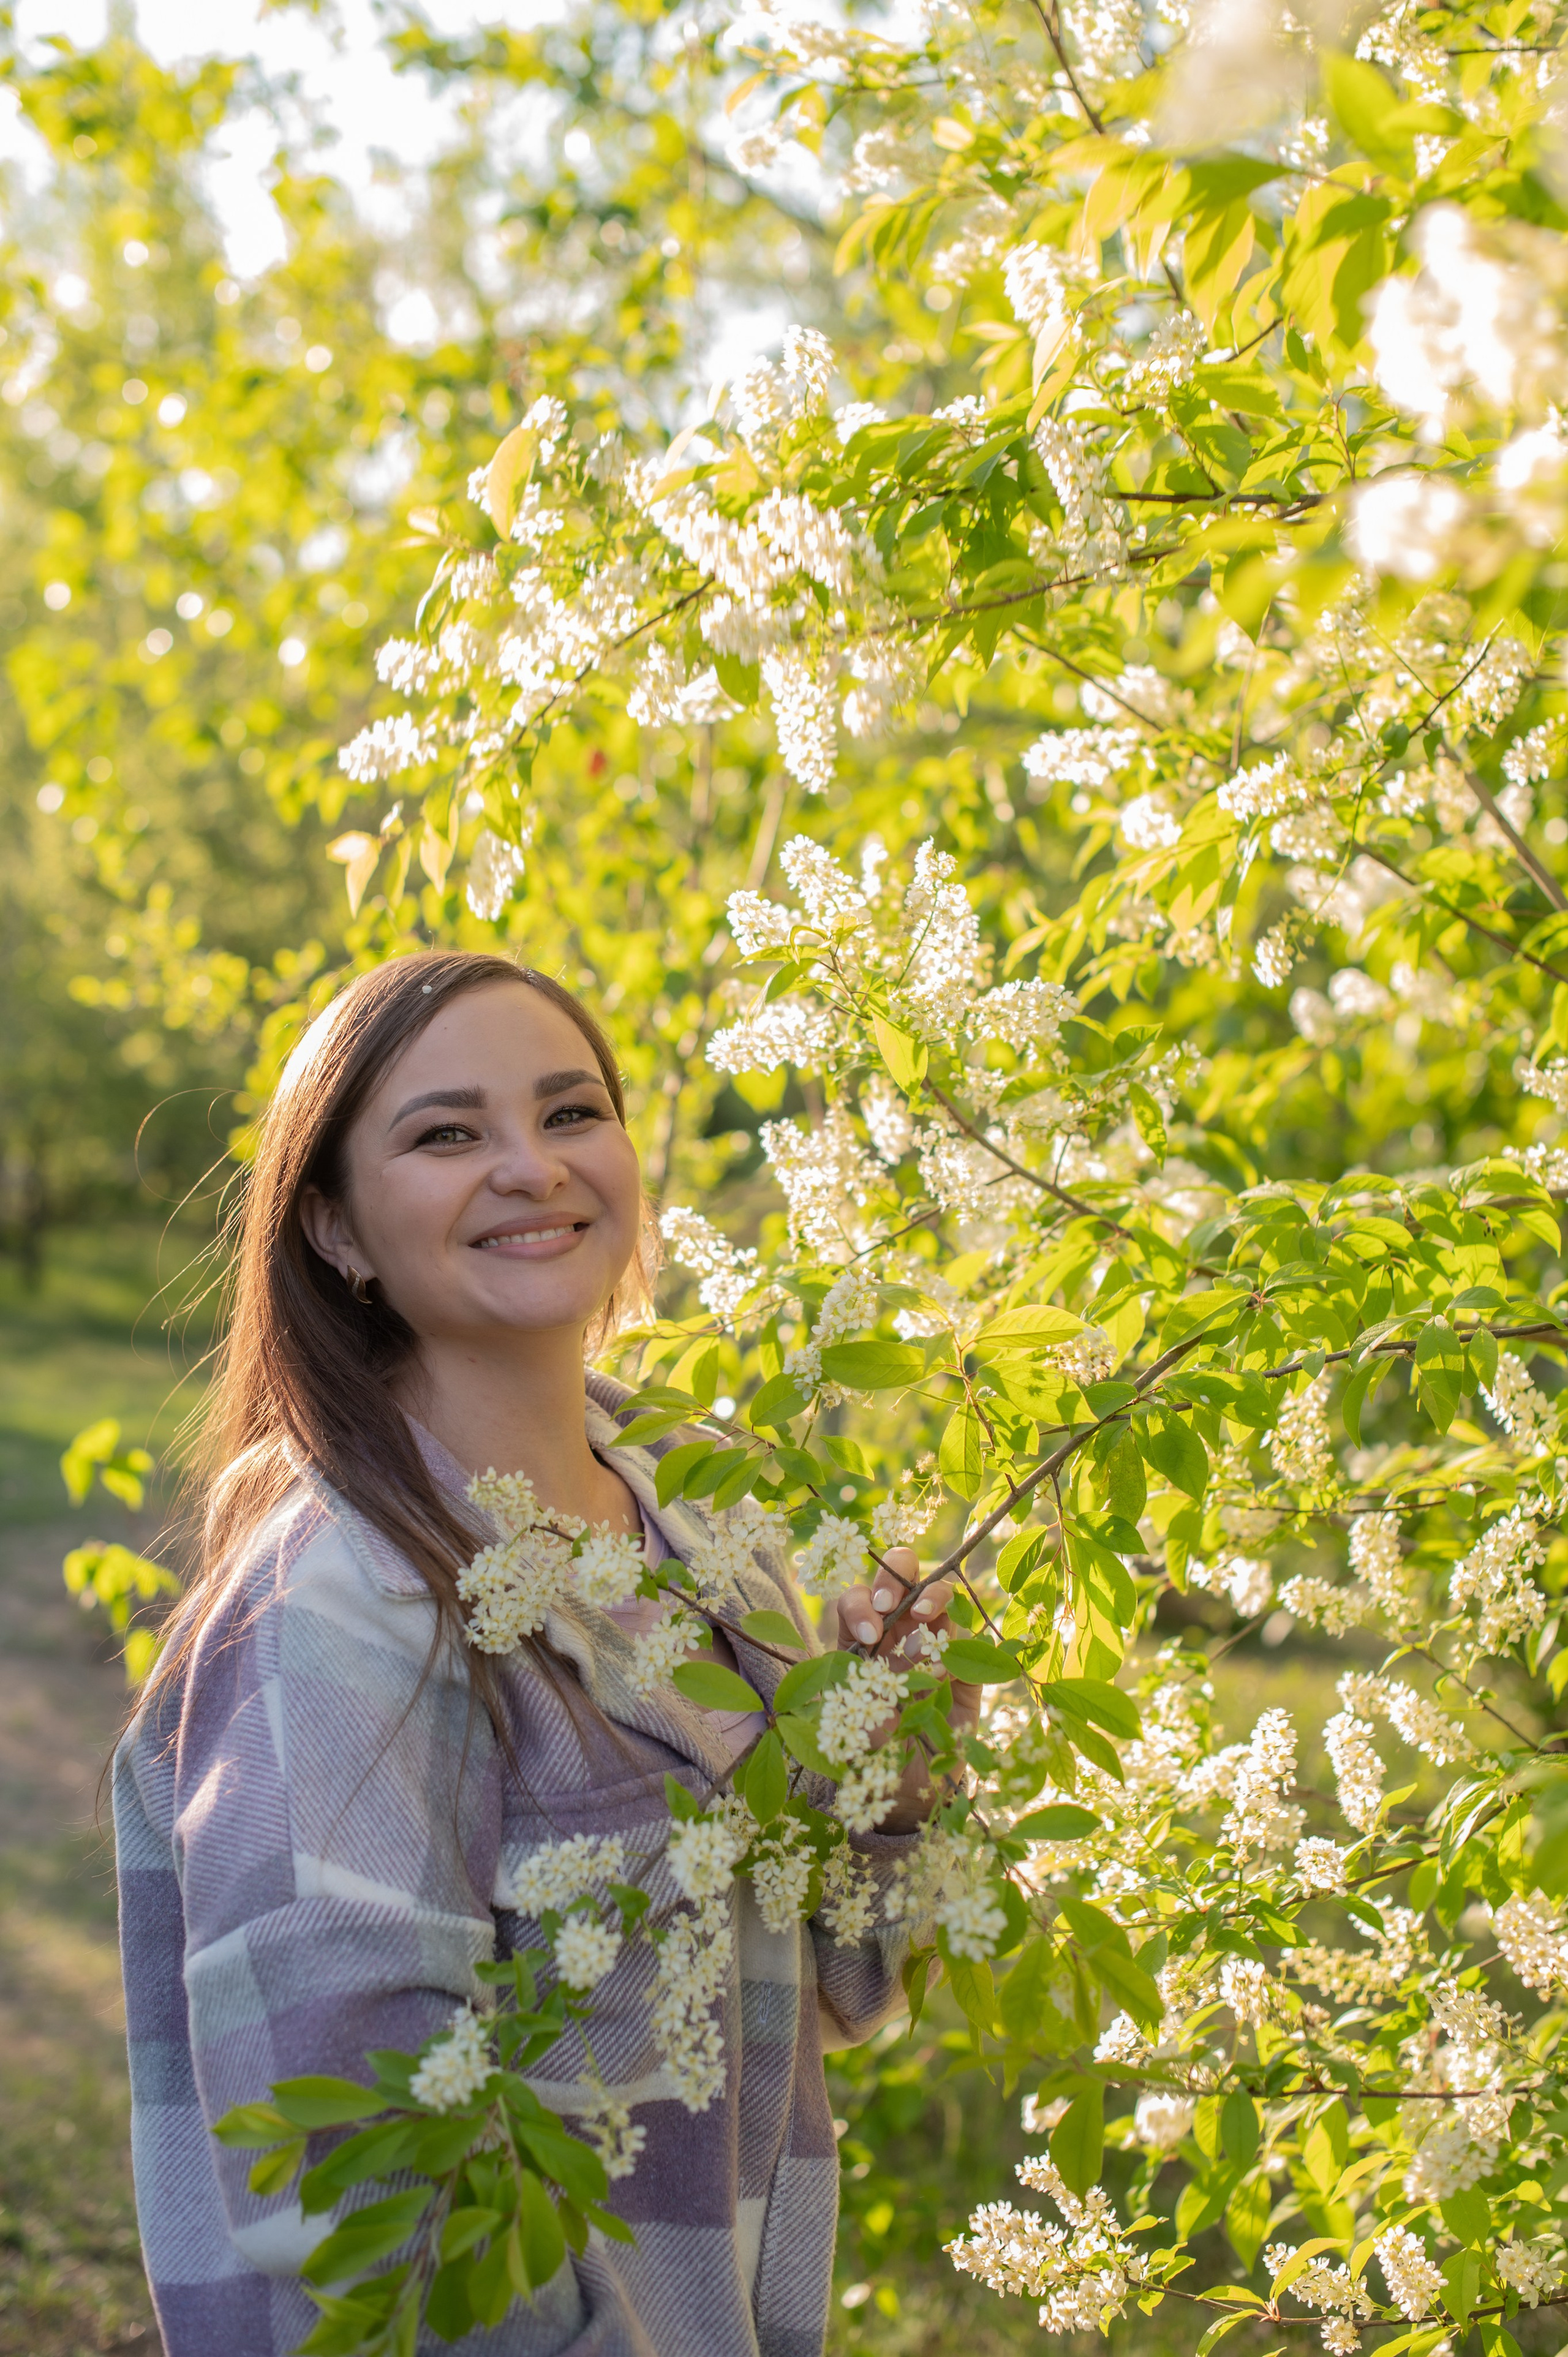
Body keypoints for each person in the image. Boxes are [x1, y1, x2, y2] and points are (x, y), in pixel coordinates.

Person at [114, 949, 977, 2357]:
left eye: (571, 1112)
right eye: (447, 1133)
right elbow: (362, 2185)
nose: (532, 1166)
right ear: (334, 1229)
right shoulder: (339, 1599)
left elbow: (839, 1983)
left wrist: (886, 1763)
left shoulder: (712, 1523)